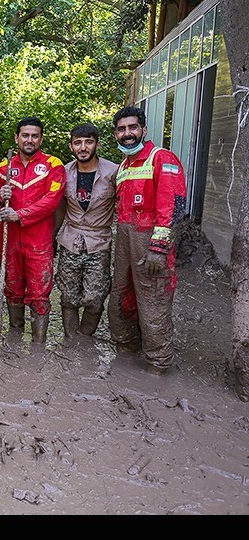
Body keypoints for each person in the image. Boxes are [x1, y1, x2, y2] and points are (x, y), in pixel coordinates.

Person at [107, 106, 187, 375]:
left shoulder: (161, 158)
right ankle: (126, 356)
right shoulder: (124, 165)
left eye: (132, 128)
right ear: (116, 134)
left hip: (150, 244)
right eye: (121, 129)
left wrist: (159, 248)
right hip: (124, 240)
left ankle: (158, 367)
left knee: (153, 303)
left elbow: (173, 207)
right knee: (121, 298)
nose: (127, 133)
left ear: (143, 129)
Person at [0, 117, 65, 344]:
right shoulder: (3, 168)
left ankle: (38, 348)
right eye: (25, 135)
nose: (30, 140)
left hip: (39, 242)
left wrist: (20, 215)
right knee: (12, 290)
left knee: (39, 294)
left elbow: (52, 201)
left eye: (35, 136)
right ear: (17, 138)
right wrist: (0, 198)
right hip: (10, 241)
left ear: (41, 139)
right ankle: (14, 342)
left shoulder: (54, 165)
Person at [53, 123, 118, 340]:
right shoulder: (64, 172)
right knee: (68, 297)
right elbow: (60, 206)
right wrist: (52, 236)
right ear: (71, 146)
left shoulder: (113, 172)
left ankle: (84, 337)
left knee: (94, 299)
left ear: (97, 144)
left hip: (99, 241)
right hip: (70, 239)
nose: (83, 147)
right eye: (78, 143)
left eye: (88, 142)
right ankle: (71, 341)